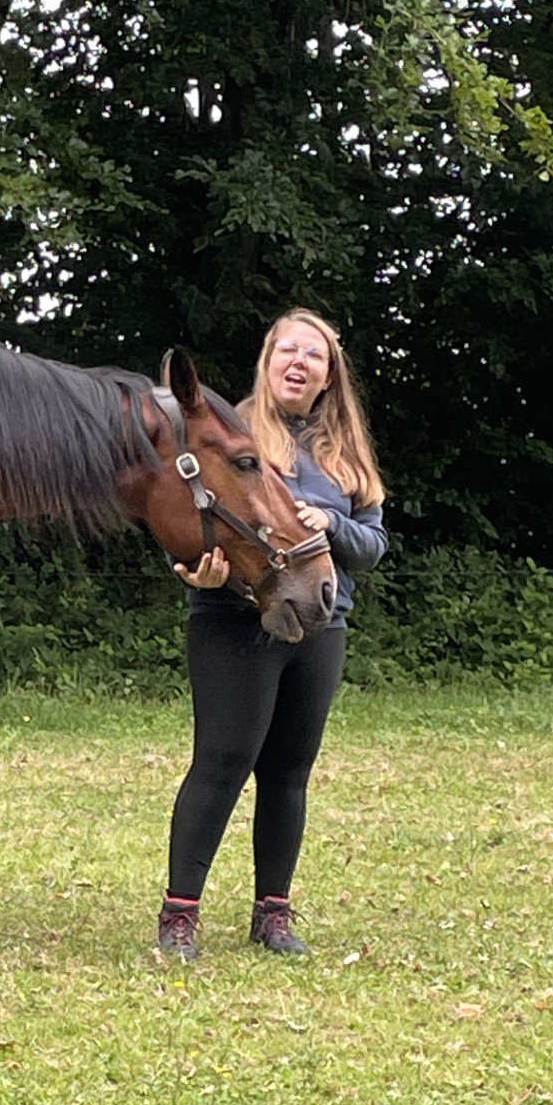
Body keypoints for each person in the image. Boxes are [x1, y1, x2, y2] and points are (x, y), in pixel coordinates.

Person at [156, 309, 387, 961]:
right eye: (287, 349)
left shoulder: (348, 456)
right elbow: (187, 517)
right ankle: (179, 916)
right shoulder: (231, 433)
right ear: (268, 359)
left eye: (313, 355)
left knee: (288, 772)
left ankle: (273, 914)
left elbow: (373, 543)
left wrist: (329, 526)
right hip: (234, 622)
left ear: (328, 375)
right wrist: (196, 578)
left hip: (322, 624)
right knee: (223, 762)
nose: (299, 361)